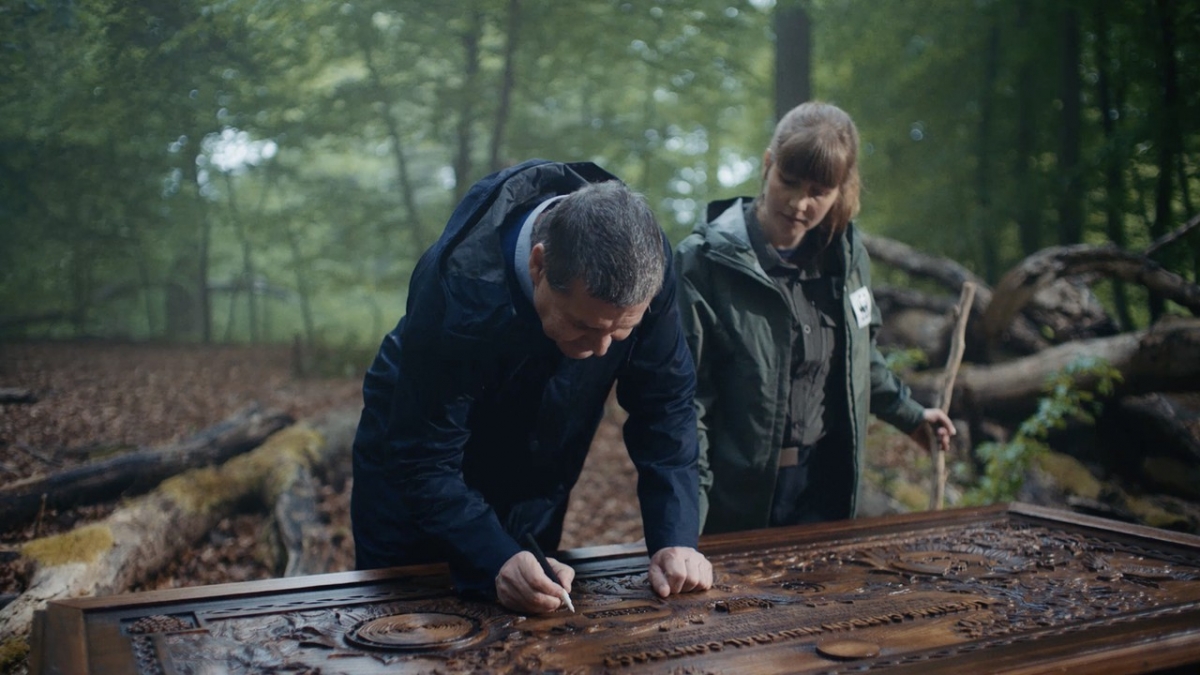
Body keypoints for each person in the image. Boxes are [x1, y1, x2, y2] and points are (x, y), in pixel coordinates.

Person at [352, 159, 713, 614]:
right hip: (415, 466)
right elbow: (424, 458)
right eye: (584, 325)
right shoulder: (457, 285)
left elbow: (665, 404)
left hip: (540, 454)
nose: (603, 351)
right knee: (409, 619)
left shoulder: (646, 265)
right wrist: (494, 555)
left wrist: (674, 539)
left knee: (530, 610)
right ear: (539, 264)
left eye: (620, 332)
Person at [675, 102, 956, 535]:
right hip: (737, 500)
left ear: (840, 190)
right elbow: (687, 404)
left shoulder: (845, 259)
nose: (799, 203)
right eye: (788, 181)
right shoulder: (703, 263)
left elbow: (860, 356)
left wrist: (910, 414)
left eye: (819, 191)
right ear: (768, 164)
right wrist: (684, 524)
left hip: (824, 491)